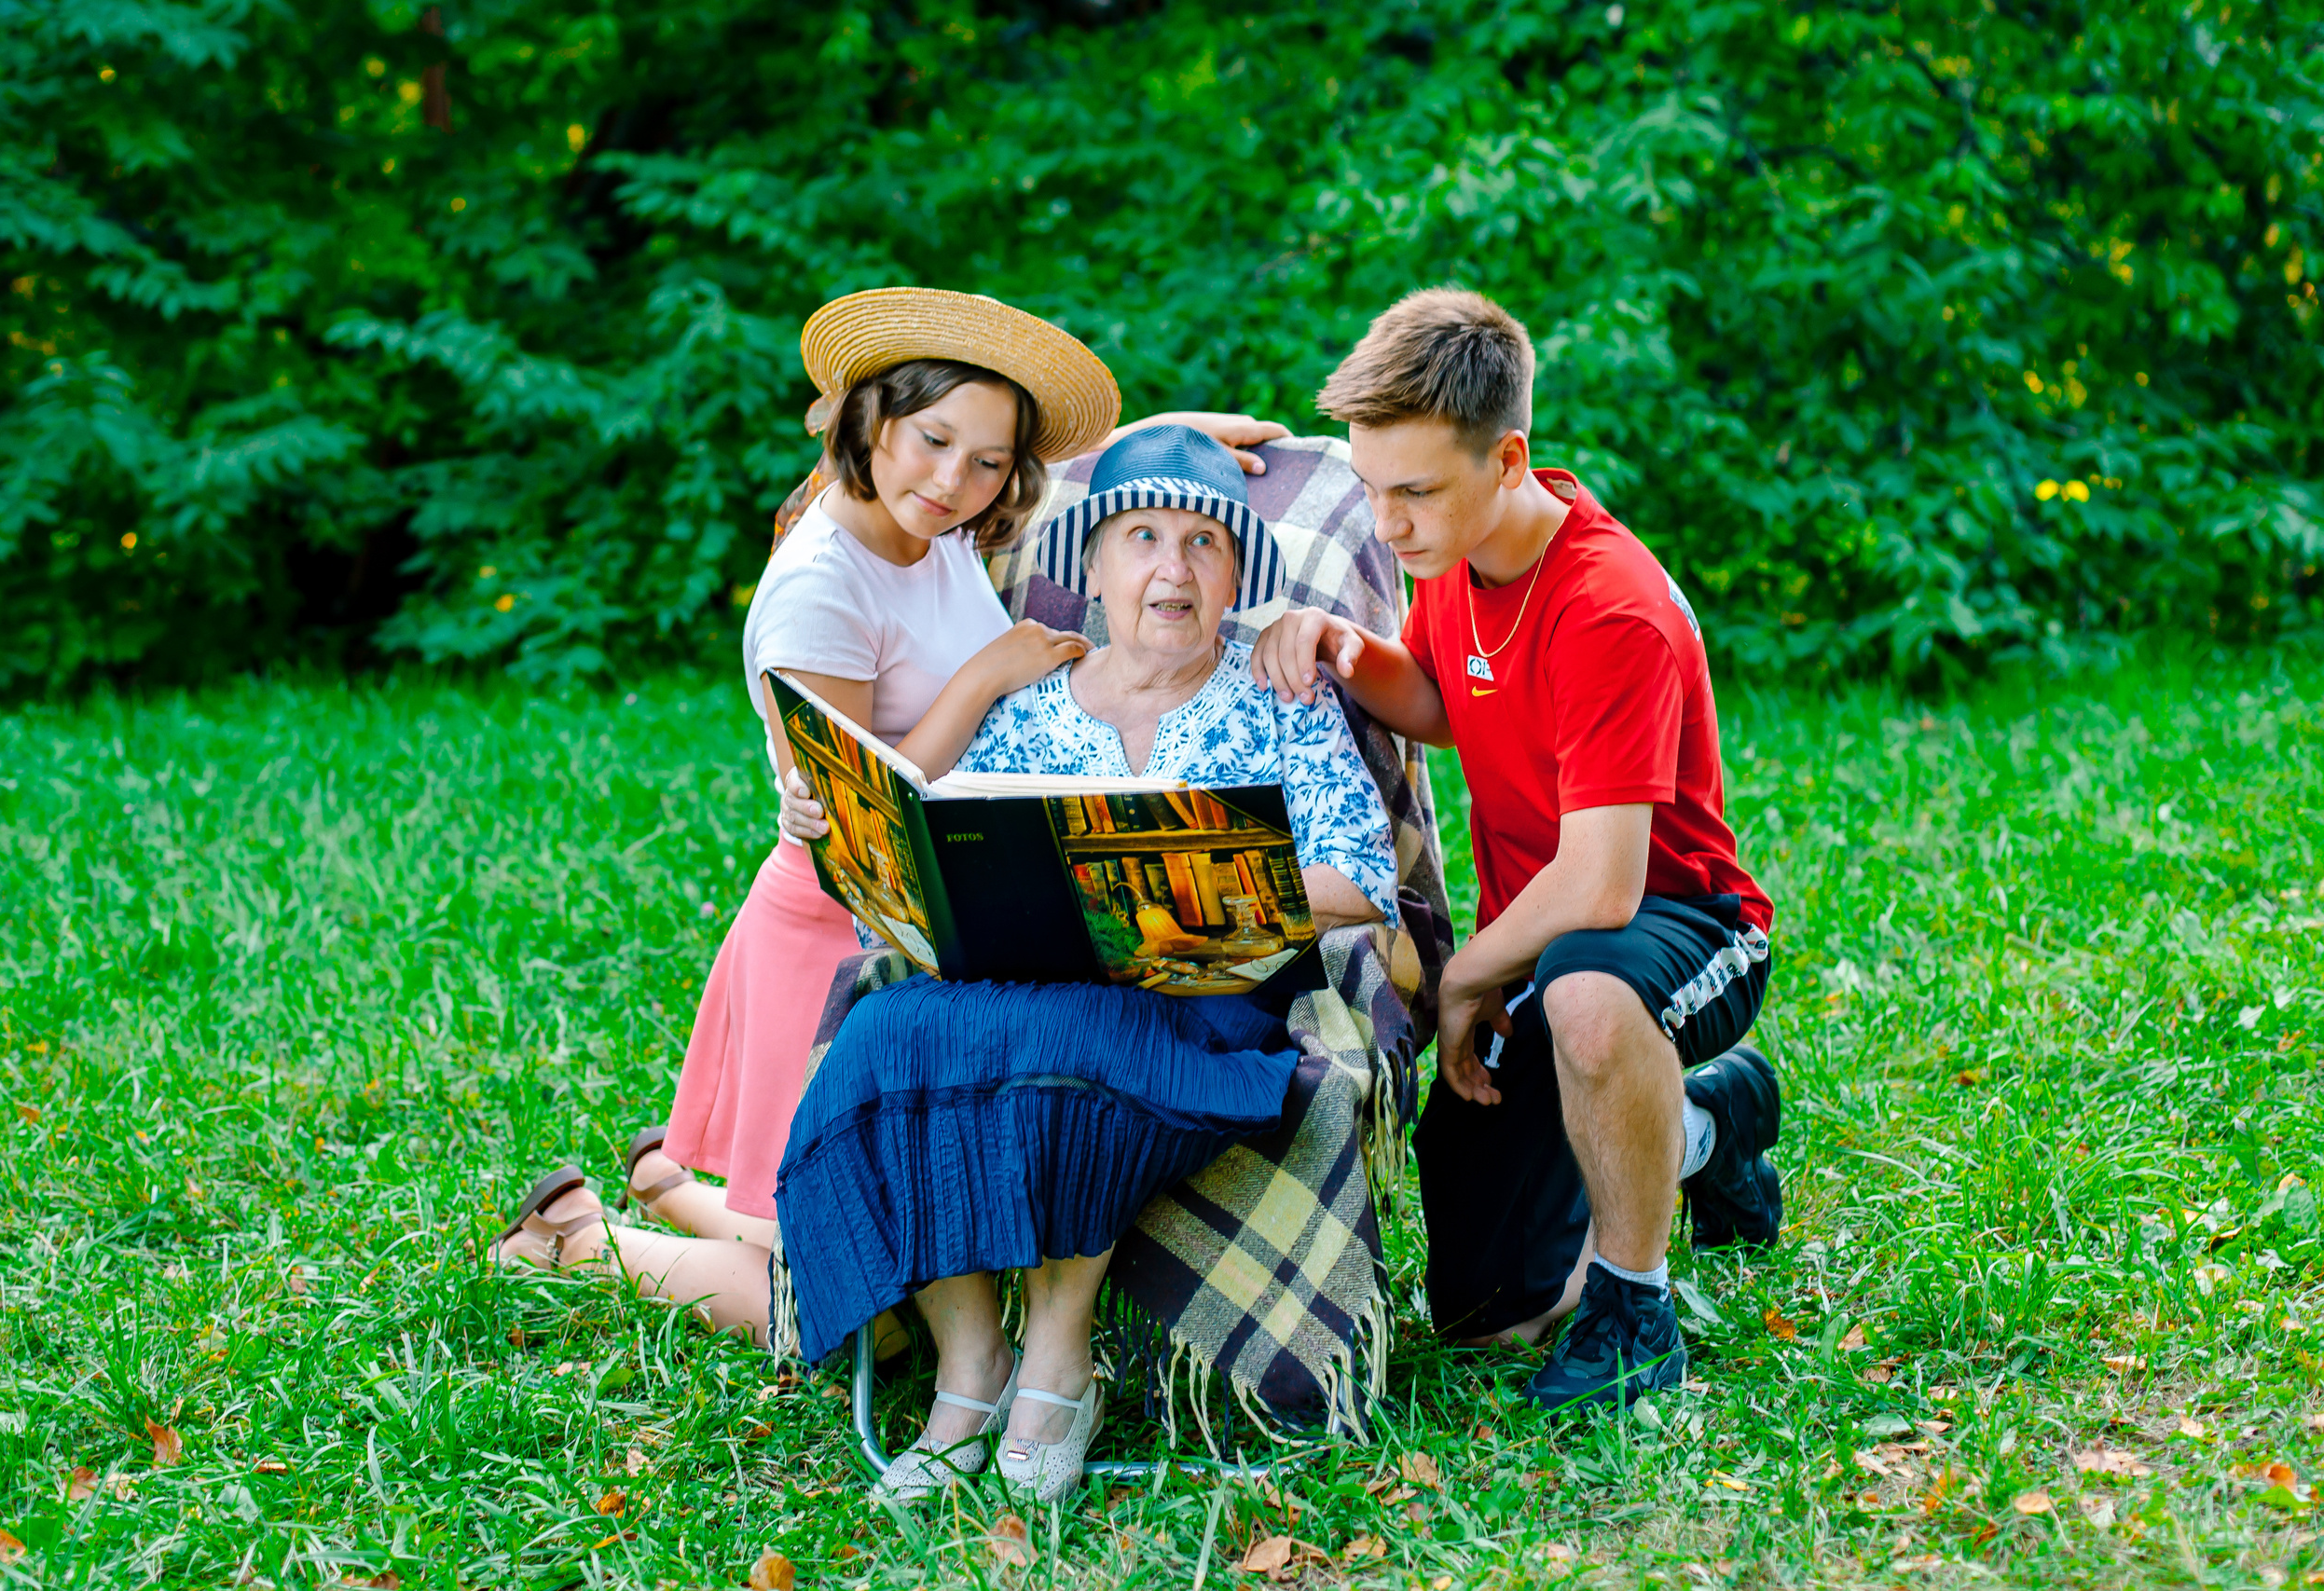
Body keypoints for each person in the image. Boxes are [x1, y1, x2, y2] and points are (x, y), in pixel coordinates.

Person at [486, 290, 1286, 1346]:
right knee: (854, 1309)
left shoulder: (933, 523)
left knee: (855, 1240)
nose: (955, 481)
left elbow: (1028, 474)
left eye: (986, 461)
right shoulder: (820, 588)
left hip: (933, 922)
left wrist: (1162, 449)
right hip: (836, 933)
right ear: (872, 421)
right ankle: (582, 1238)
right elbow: (859, 817)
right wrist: (988, 678)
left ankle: (676, 1189)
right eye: (933, 442)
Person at [773, 424, 1398, 1503]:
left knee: (1075, 1037)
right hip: (1017, 997)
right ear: (1092, 569)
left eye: (1204, 544)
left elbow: (1361, 881)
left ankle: (1057, 1364)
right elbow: (936, 857)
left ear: (1235, 575)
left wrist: (1188, 881)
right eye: (1142, 537)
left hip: (1197, 1013)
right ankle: (972, 1374)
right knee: (881, 1035)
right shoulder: (1025, 712)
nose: (1172, 568)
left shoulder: (1279, 696)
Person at [1247, 288, 1783, 1412]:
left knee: (1589, 1003)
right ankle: (1705, 1125)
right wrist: (1345, 646)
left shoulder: (1607, 605)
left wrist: (1467, 973)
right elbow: (1451, 703)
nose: (1386, 524)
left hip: (1679, 925)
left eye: (1414, 492)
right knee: (1488, 1312)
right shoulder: (1460, 555)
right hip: (1546, 938)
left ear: (1509, 460)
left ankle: (1636, 1308)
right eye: (1370, 489)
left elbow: (1603, 883)